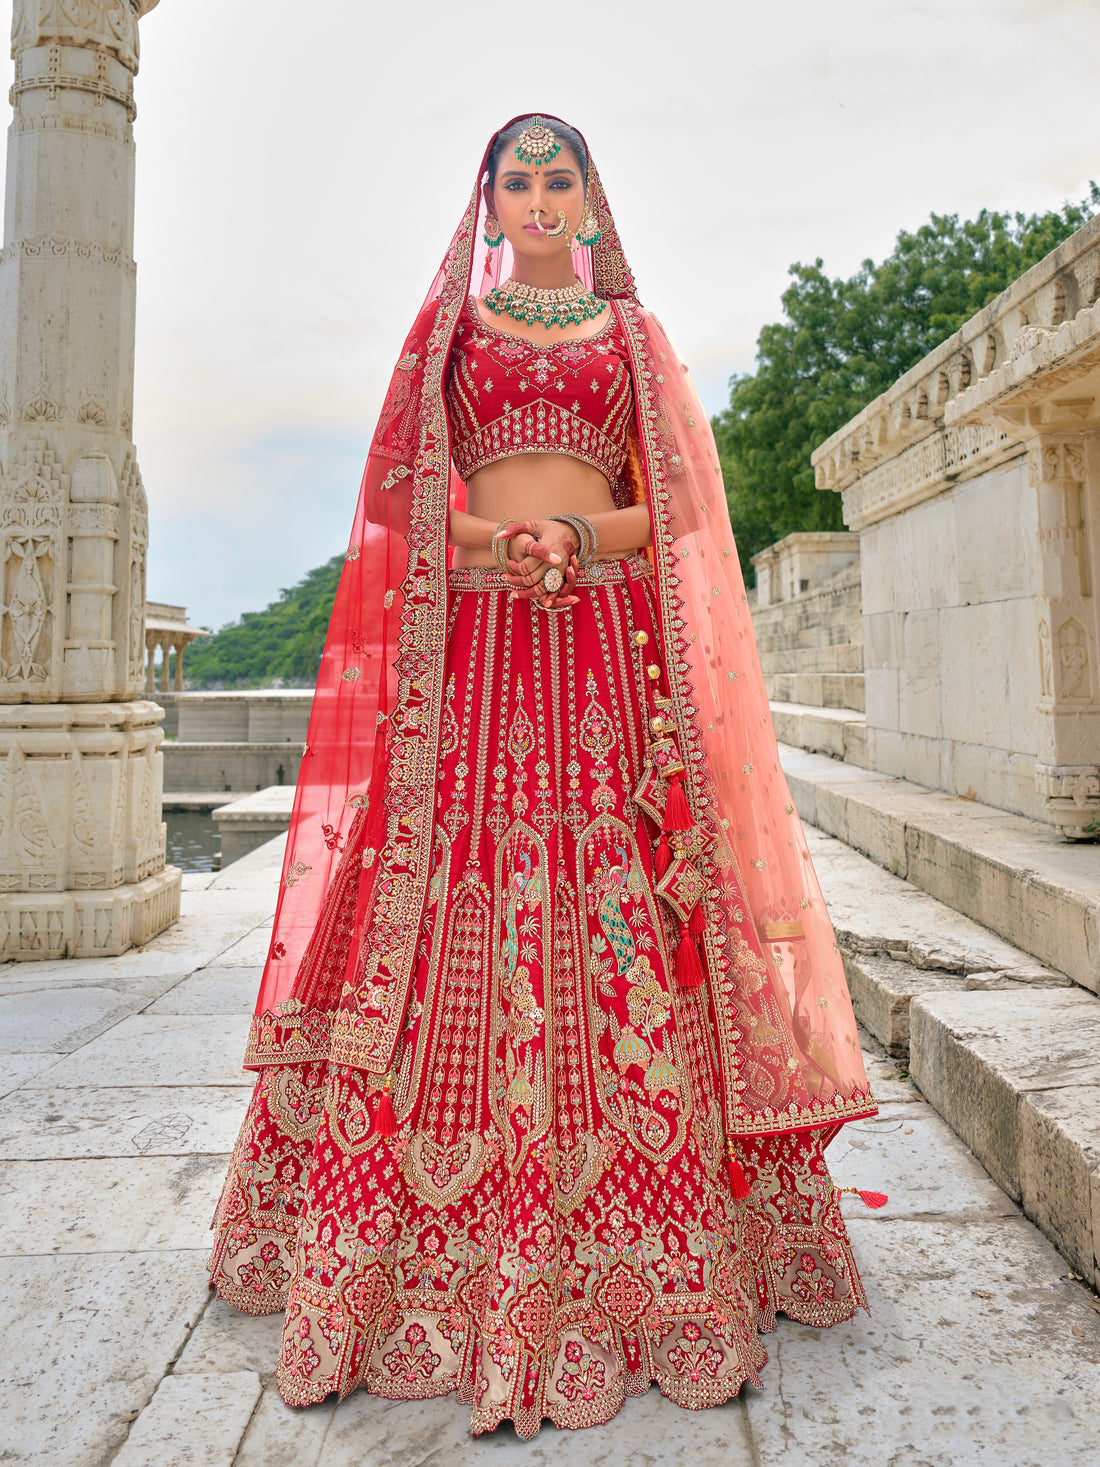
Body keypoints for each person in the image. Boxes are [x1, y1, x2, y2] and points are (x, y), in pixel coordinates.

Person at [207, 114, 881, 1439]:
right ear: (487, 204)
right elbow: (399, 497)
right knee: (440, 911)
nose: (535, 195)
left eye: (556, 175)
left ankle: (671, 1267)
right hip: (472, 662)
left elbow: (680, 505)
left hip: (603, 660)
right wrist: (495, 543)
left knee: (624, 909)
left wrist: (575, 533)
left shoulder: (632, 340)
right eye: (514, 179)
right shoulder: (447, 340)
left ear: (589, 199)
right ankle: (397, 1274)